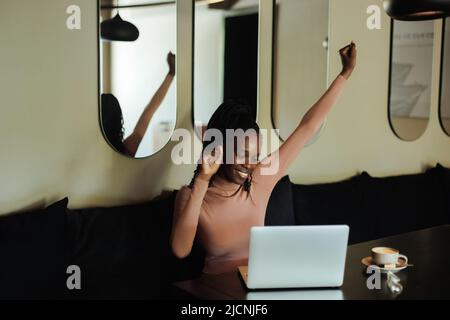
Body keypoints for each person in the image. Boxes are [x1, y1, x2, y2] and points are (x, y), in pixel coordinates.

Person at [170, 42, 357, 275]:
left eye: (256, 156)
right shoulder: (191, 196)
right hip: (216, 290)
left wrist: (345, 74)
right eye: (242, 154)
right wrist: (202, 179)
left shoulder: (260, 179)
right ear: (221, 150)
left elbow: (307, 128)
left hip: (262, 283)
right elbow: (180, 250)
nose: (250, 164)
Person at [101, 52, 176, 157]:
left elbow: (150, 109)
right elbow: (150, 110)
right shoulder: (125, 151)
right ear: (118, 120)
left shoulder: (86, 153)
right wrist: (171, 73)